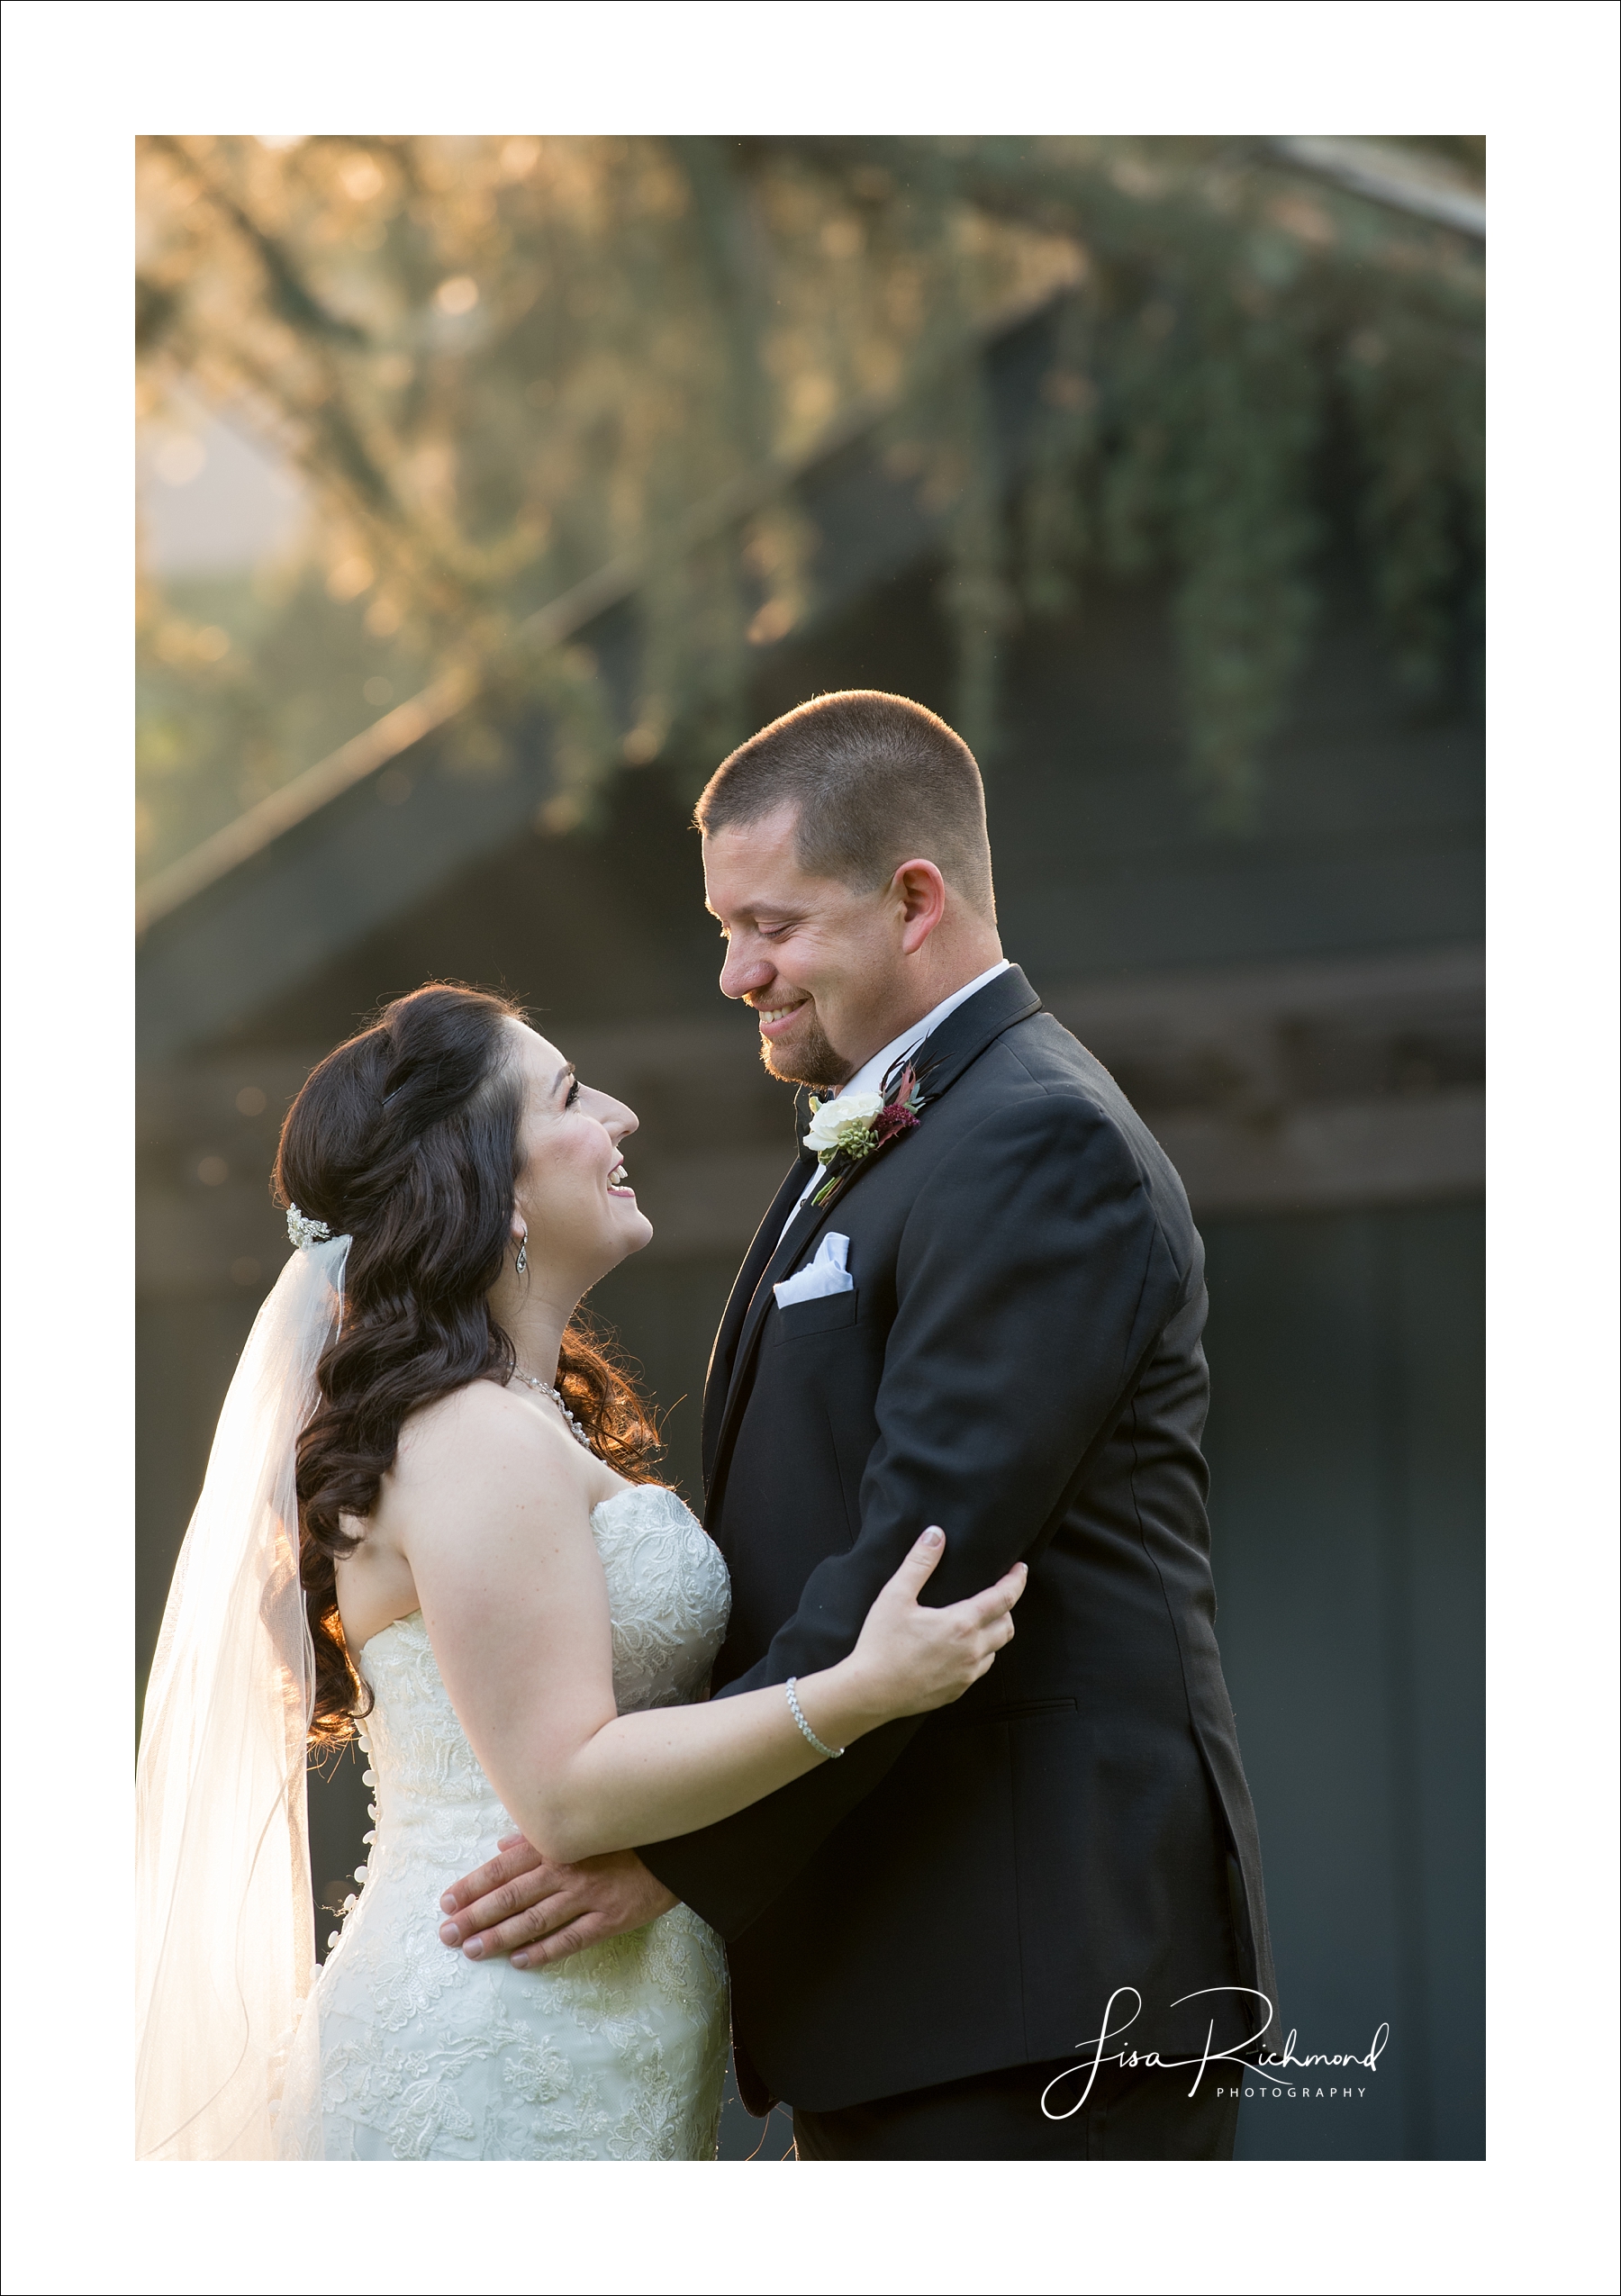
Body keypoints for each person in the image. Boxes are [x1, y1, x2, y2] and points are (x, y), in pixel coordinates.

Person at [438, 690, 1281, 2161]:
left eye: (770, 924)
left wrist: (672, 1854)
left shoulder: (1037, 1138)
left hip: (1032, 1982)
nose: (732, 971)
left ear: (914, 899)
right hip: (915, 1965)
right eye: (721, 928)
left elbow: (926, 1557)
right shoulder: (899, 1123)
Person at [132, 982, 1026, 2161]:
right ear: (488, 1182)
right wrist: (860, 1688)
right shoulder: (470, 1434)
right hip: (496, 2052)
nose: (620, 1116)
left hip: (580, 2025)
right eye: (566, 1095)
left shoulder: (512, 1419)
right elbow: (563, 1787)